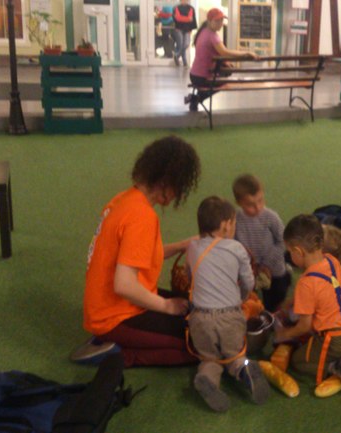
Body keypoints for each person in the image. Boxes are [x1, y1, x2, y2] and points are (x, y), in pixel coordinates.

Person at [81, 135, 201, 368]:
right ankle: (121, 355)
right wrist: (166, 306)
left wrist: (183, 244)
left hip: (107, 307)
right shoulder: (142, 216)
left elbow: (138, 255)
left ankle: (114, 343)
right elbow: (124, 285)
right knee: (201, 344)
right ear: (166, 182)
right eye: (179, 187)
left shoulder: (124, 199)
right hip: (116, 317)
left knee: (195, 312)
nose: (178, 194)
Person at [271, 214, 341, 397]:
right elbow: (327, 290)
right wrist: (292, 302)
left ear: (298, 251)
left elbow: (304, 326)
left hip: (337, 340)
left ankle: (335, 366)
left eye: (290, 252)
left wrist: (284, 334)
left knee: (298, 362)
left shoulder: (306, 283)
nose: (290, 256)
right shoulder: (331, 261)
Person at [186, 196, 269, 412]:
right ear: (225, 225)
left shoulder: (192, 248)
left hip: (200, 318)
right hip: (230, 316)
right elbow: (248, 282)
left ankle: (207, 378)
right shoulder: (237, 248)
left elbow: (190, 279)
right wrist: (241, 299)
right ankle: (245, 369)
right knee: (236, 355)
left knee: (209, 359)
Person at [232, 174, 290, 312]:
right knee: (249, 301)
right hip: (249, 270)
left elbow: (283, 240)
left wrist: (267, 264)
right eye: (250, 204)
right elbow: (233, 245)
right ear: (239, 202)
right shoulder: (235, 219)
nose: (257, 207)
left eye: (260, 200)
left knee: (275, 301)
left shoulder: (271, 217)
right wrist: (249, 265)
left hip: (273, 269)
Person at [185, 8, 258, 112]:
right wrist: (246, 53)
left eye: (221, 20)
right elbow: (225, 52)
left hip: (194, 75)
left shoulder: (203, 31)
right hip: (203, 77)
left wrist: (225, 62)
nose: (220, 23)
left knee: (225, 73)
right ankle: (196, 98)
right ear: (209, 21)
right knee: (225, 82)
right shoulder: (212, 36)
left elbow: (212, 53)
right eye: (217, 21)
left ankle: (195, 98)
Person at [172, 0, 197, 67]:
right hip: (178, 28)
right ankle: (185, 62)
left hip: (188, 29)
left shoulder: (191, 8)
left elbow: (192, 20)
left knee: (186, 44)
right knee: (180, 44)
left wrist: (182, 18)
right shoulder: (176, 8)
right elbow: (176, 18)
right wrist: (187, 19)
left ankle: (177, 55)